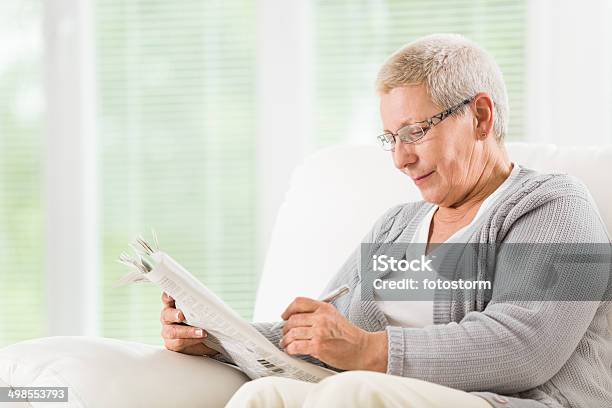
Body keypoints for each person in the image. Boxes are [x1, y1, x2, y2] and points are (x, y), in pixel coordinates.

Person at [160, 34, 612, 408]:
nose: (401, 158)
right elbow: (326, 335)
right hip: (382, 393)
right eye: (391, 138)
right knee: (264, 395)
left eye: (417, 131)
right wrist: (216, 338)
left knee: (351, 391)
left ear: (480, 116)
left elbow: (524, 349)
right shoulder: (396, 228)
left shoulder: (556, 207)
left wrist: (368, 351)